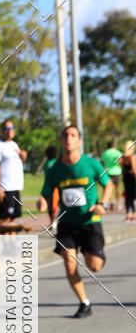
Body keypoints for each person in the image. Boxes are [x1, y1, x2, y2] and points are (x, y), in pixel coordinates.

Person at [37, 124, 113, 318]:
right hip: (67, 224)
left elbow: (108, 184)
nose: (68, 138)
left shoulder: (91, 164)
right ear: (61, 141)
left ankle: (95, 252)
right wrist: (42, 203)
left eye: (73, 135)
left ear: (79, 141)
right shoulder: (55, 169)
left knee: (94, 265)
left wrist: (102, 203)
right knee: (70, 264)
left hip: (90, 221)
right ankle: (84, 303)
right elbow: (46, 194)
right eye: (65, 136)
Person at [0, 120, 27, 221]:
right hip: (5, 188)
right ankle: (6, 238)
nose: (9, 130)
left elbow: (17, 164)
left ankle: (12, 238)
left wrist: (24, 157)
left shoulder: (14, 144)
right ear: (2, 131)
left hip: (16, 187)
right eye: (6, 128)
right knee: (6, 221)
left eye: (11, 128)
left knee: (14, 220)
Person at [100, 138, 122, 210]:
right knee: (118, 188)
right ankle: (118, 204)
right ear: (113, 145)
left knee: (110, 188)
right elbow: (121, 161)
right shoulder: (117, 152)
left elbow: (102, 163)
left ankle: (112, 201)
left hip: (108, 172)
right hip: (117, 171)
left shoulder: (105, 153)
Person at [43, 145, 59, 235]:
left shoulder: (47, 164)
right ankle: (55, 223)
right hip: (56, 188)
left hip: (48, 187)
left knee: (50, 206)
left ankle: (53, 222)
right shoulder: (57, 162)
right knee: (56, 206)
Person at [120, 140, 136, 223]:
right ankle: (133, 214)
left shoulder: (122, 157)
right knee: (133, 196)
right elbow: (134, 169)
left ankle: (127, 215)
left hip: (125, 177)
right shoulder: (132, 157)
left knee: (128, 196)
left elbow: (121, 166)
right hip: (132, 178)